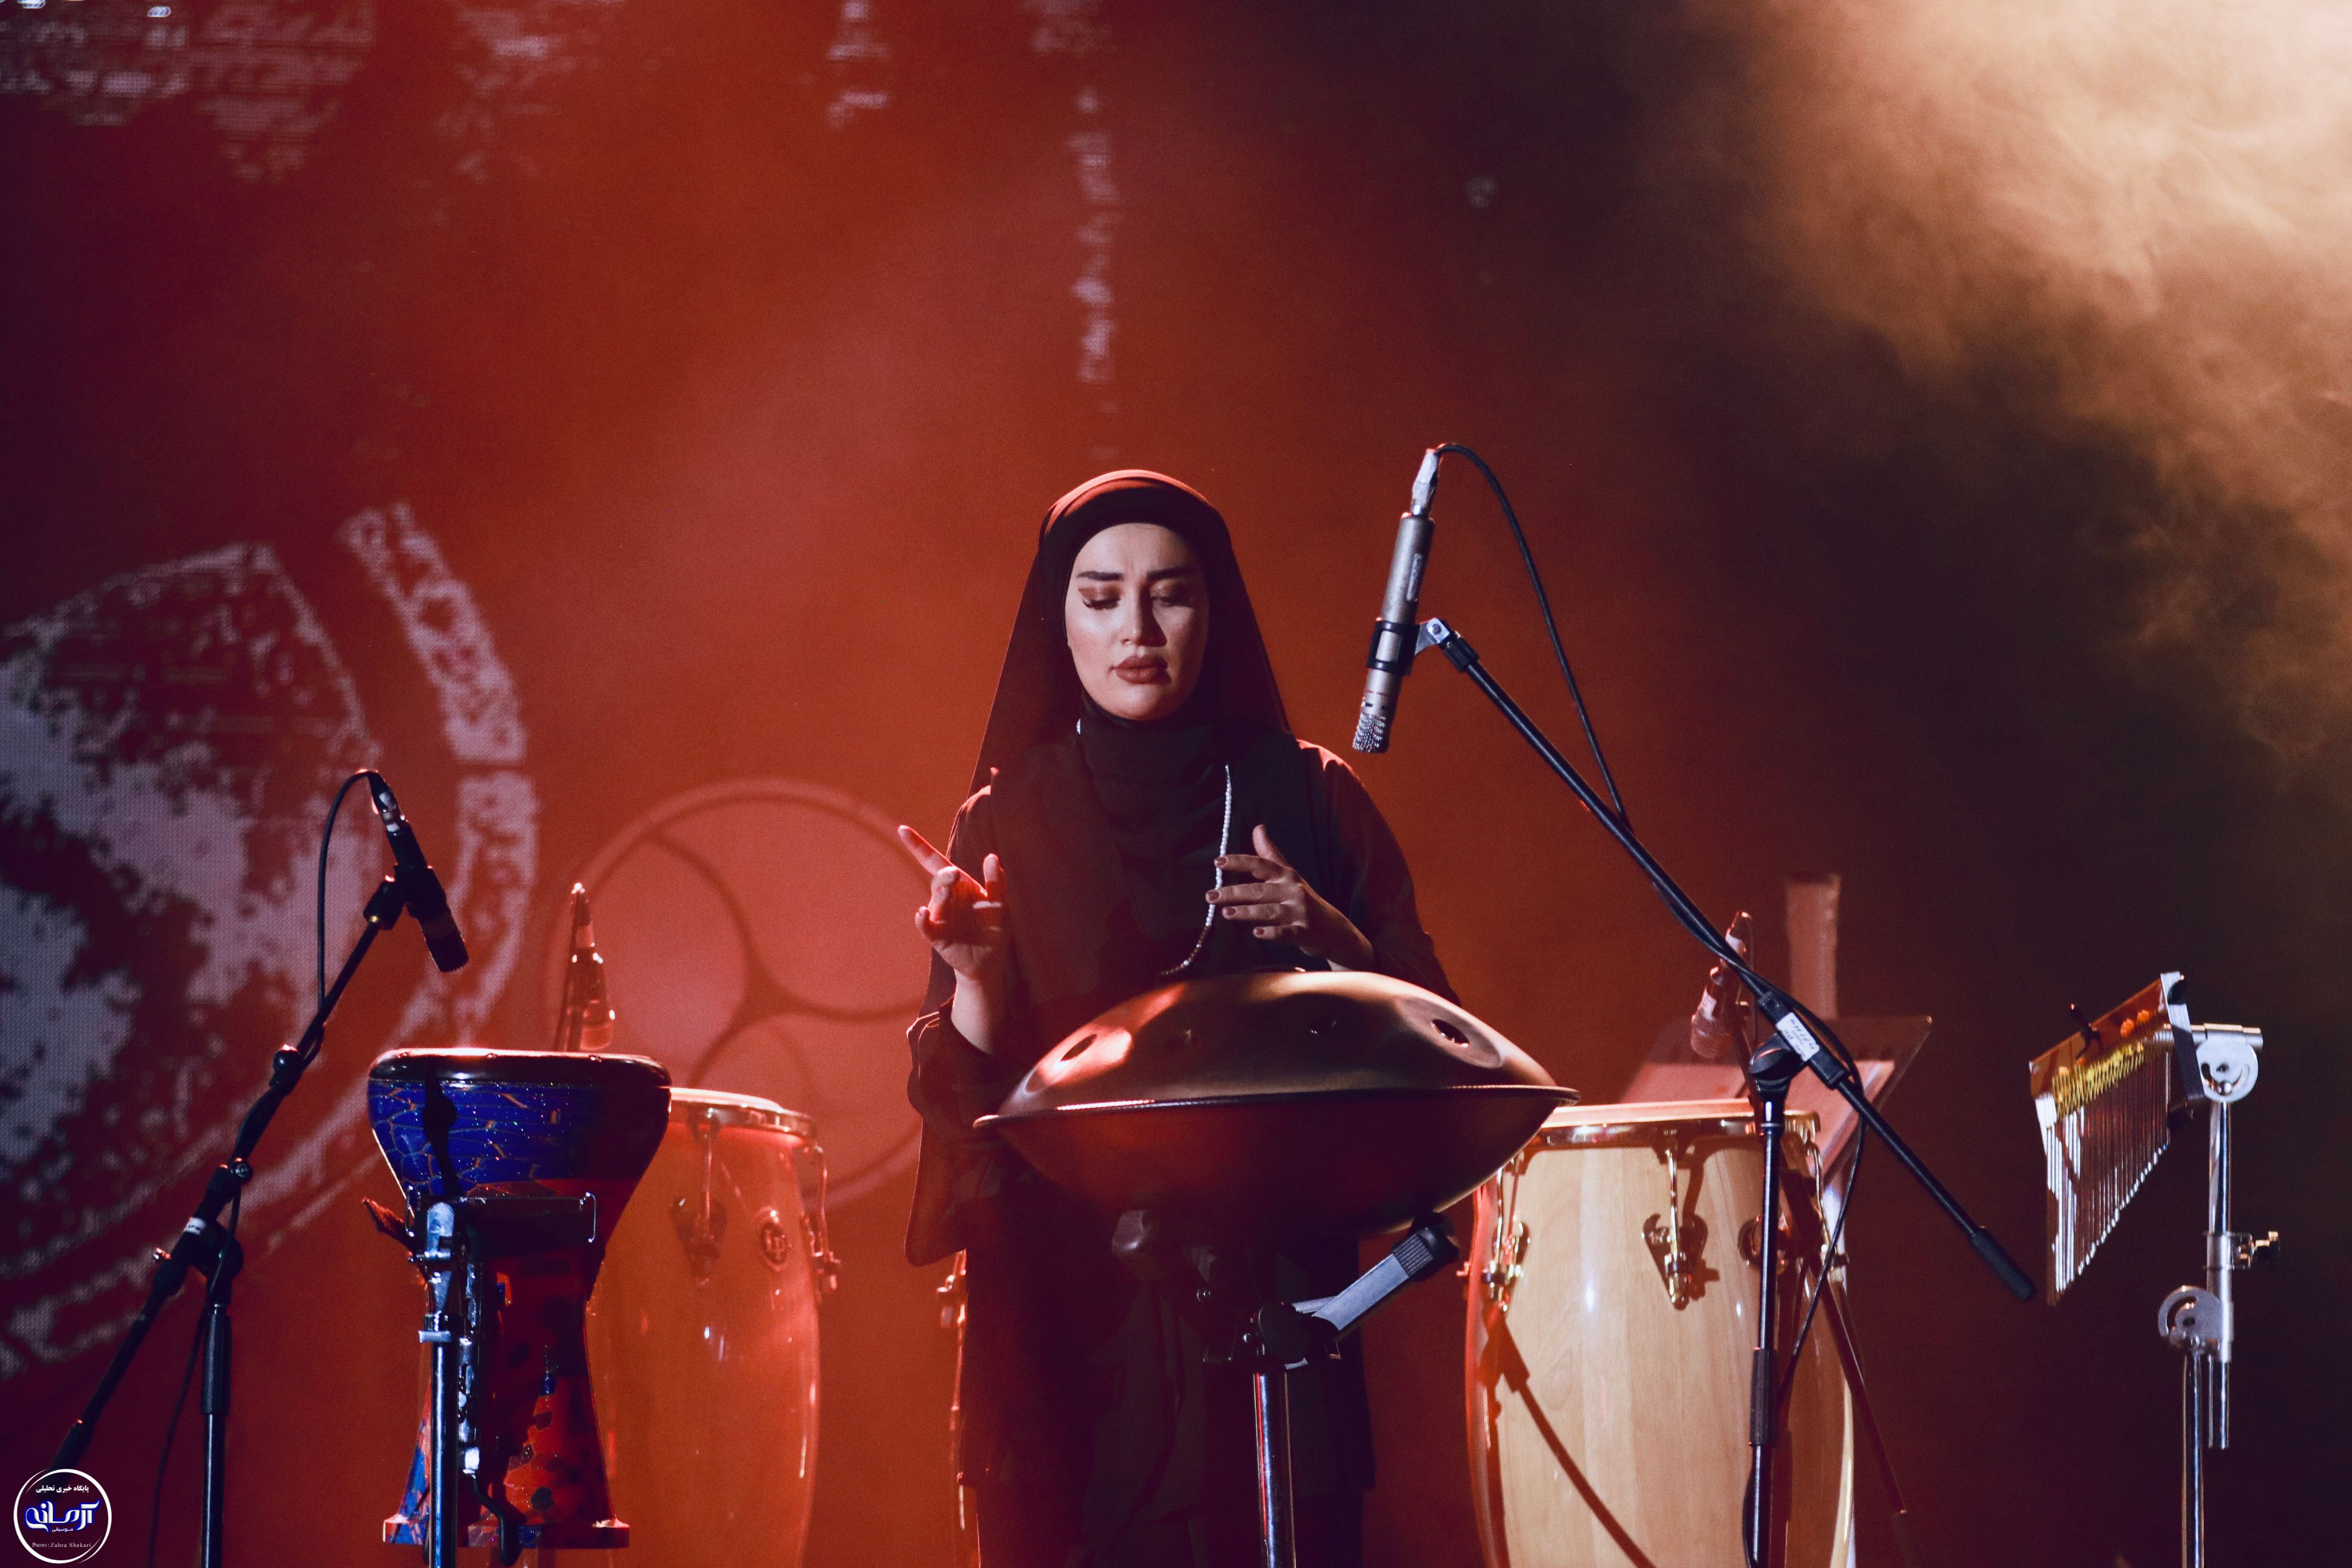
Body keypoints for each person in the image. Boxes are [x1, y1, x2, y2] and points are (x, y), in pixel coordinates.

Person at [898, 470, 1452, 1568]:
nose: (1137, 631)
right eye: (1102, 597)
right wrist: (977, 979)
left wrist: (1331, 938)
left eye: (1171, 594)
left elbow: (1446, 1047)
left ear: (1217, 609)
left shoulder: (1311, 795)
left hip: (1277, 1308)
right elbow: (963, 1114)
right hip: (1067, 1333)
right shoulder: (1005, 820)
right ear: (1058, 622)